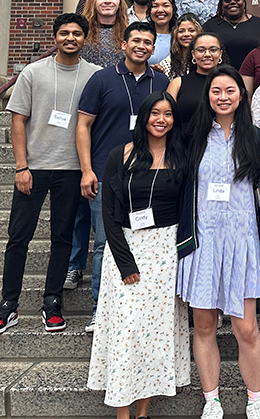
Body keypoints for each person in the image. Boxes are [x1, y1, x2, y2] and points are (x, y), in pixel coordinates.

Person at [0, 14, 100, 335]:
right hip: (33, 169)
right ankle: (8, 305)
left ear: (85, 39)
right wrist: (21, 166)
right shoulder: (33, 73)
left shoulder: (96, 76)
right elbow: (18, 121)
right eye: (64, 33)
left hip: (72, 170)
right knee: (18, 238)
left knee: (62, 239)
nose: (70, 38)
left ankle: (52, 302)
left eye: (77, 33)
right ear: (55, 37)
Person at [87, 92, 190, 418]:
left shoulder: (182, 156)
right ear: (144, 117)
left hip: (166, 251)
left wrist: (183, 258)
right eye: (155, 113)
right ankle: (122, 411)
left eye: (168, 114)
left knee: (156, 333)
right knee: (127, 330)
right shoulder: (121, 155)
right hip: (127, 248)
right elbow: (109, 214)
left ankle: (143, 411)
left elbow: (187, 212)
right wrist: (125, 262)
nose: (162, 120)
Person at [176, 65, 260, 419]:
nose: (223, 97)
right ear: (208, 96)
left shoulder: (255, 136)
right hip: (204, 243)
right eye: (216, 91)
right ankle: (211, 399)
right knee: (204, 325)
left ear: (240, 95)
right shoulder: (194, 134)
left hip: (242, 243)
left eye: (230, 90)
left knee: (246, 328)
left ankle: (254, 399)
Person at [67, 22, 170, 331]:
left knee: (147, 241)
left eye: (147, 42)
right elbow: (83, 126)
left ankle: (142, 308)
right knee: (104, 244)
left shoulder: (162, 82)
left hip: (149, 176)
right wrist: (86, 170)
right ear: (124, 45)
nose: (141, 45)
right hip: (105, 175)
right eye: (135, 40)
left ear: (153, 49)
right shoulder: (101, 79)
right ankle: (101, 310)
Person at [167, 32, 230, 130]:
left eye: (213, 50)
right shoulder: (178, 83)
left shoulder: (231, 83)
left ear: (220, 54)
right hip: (184, 142)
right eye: (201, 50)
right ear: (193, 54)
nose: (207, 55)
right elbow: (166, 116)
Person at [203, 0, 260, 69]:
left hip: (253, 77)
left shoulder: (258, 24)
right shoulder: (210, 26)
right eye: (227, 0)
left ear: (243, 1)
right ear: (221, 3)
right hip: (220, 77)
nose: (232, 2)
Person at [81, 0, 128, 68]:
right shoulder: (81, 33)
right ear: (93, 2)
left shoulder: (129, 33)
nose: (107, 1)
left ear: (120, 2)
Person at [159, 13, 203, 79]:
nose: (186, 34)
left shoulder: (205, 59)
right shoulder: (167, 63)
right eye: (181, 31)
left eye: (191, 30)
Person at [146, 0, 178, 65]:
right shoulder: (143, 34)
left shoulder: (179, 36)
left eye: (166, 6)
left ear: (173, 10)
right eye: (155, 6)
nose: (160, 10)